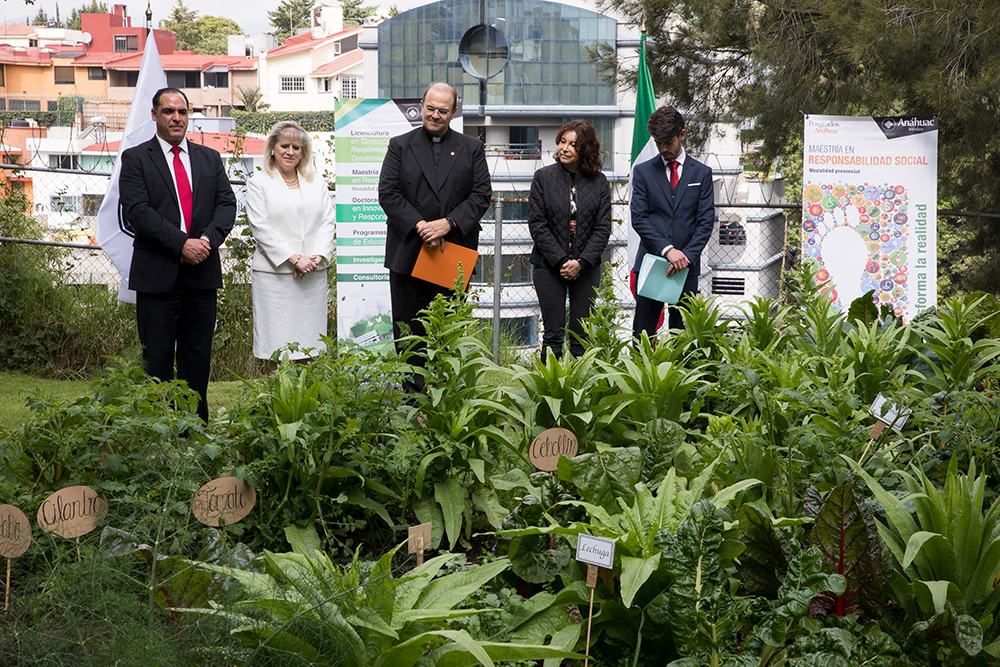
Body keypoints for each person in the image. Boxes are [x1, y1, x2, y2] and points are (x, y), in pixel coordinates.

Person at [119, 87, 237, 422]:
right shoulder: (136, 158)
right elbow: (138, 212)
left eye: (182, 112)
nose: (176, 118)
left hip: (201, 274)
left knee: (197, 356)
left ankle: (194, 428)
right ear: (154, 115)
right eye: (169, 111)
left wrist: (205, 242)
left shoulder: (209, 158)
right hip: (158, 275)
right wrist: (181, 243)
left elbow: (227, 204)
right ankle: (157, 431)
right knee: (156, 358)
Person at [378, 82, 492, 390]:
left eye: (443, 110)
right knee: (408, 329)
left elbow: (481, 196)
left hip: (451, 251)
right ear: (421, 105)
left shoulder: (472, 148)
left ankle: (444, 397)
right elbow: (388, 194)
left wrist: (448, 224)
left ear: (454, 112)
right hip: (409, 251)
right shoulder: (399, 145)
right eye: (430, 108)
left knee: (447, 329)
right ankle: (412, 399)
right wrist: (421, 226)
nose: (435, 115)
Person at [245, 121, 335, 369]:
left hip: (312, 275)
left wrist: (316, 257)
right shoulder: (258, 183)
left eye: (297, 147)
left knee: (310, 343)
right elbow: (260, 227)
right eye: (284, 145)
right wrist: (294, 258)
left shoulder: (316, 181)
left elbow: (328, 220)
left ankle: (306, 402)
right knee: (278, 345)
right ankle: (279, 402)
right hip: (276, 277)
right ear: (272, 148)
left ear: (303, 152)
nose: (290, 151)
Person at [527, 120, 612, 360]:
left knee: (580, 334)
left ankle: (578, 392)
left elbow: (602, 228)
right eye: (563, 142)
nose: (564, 148)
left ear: (585, 149)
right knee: (552, 334)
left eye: (573, 145)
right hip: (549, 266)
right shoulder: (543, 177)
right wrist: (563, 261)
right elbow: (537, 224)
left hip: (586, 268)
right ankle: (548, 392)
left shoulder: (600, 182)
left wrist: (581, 262)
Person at [631, 105, 715, 339]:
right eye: (658, 143)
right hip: (651, 264)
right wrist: (668, 251)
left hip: (686, 268)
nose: (663, 148)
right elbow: (639, 218)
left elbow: (705, 221)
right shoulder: (642, 172)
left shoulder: (702, 173)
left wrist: (685, 256)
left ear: (682, 135)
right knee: (643, 335)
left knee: (683, 336)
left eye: (668, 142)